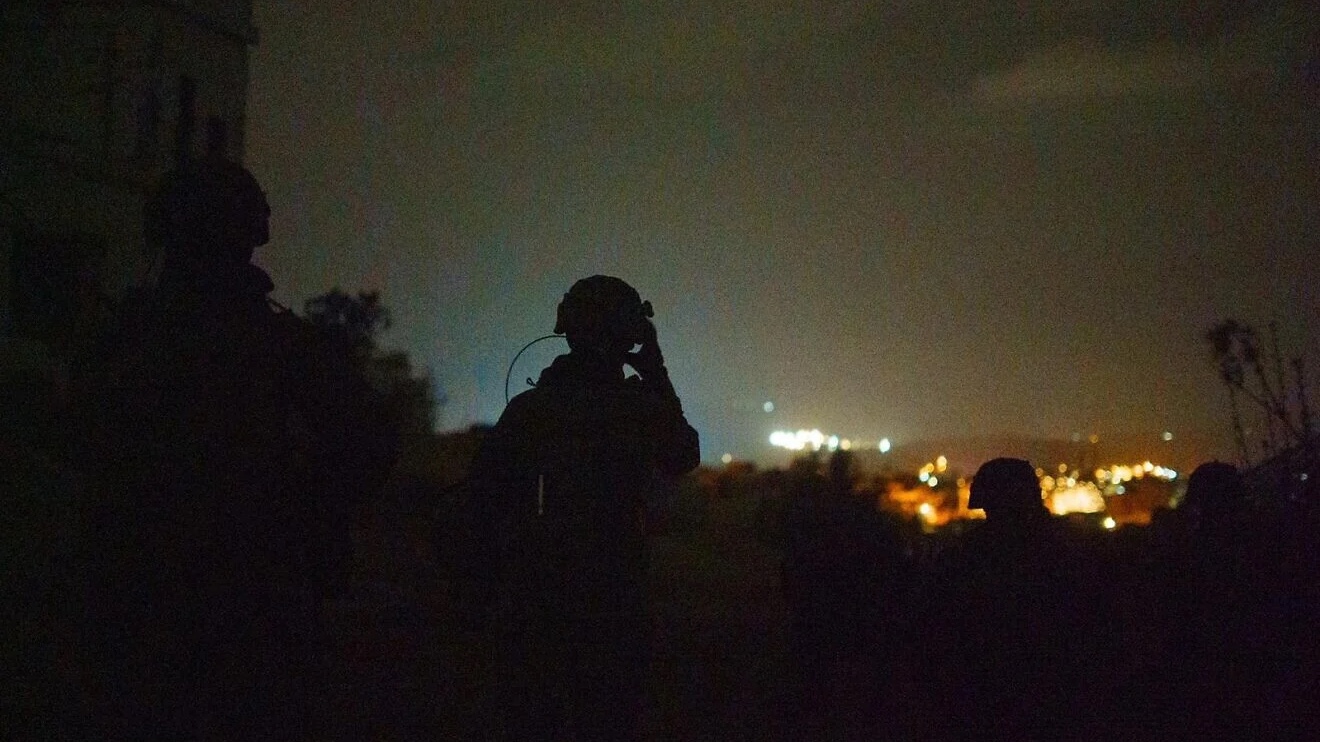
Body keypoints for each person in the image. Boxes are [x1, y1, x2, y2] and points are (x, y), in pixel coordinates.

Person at [75, 155, 397, 739]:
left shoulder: (121, 342)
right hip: (256, 608)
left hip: (140, 604)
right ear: (252, 232)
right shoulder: (287, 347)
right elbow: (366, 447)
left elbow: (74, 445)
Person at [463, 275, 700, 740]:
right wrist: (656, 373)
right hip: (613, 599)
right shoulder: (637, 411)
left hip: (533, 601)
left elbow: (484, 499)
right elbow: (683, 454)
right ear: (628, 335)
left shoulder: (530, 410)